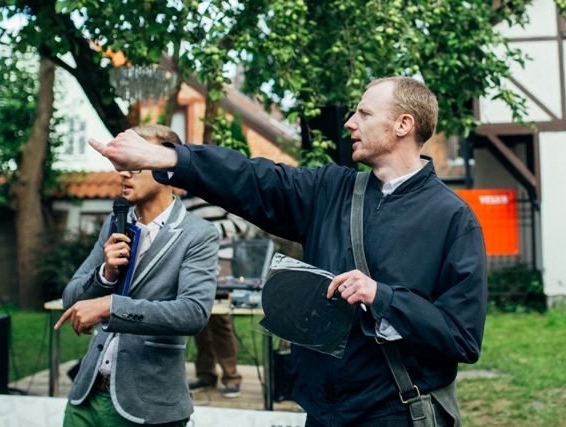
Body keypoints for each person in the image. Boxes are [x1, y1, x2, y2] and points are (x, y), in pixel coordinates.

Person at [88, 77, 487, 426]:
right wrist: (166, 157)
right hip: (321, 410)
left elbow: (462, 337)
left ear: (403, 124)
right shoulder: (331, 190)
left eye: (364, 114)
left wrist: (382, 297)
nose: (350, 122)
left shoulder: (452, 218)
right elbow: (253, 179)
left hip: (394, 411)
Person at [54, 124, 220, 427]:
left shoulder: (198, 234)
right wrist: (105, 274)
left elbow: (193, 313)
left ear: (166, 169)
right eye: (122, 165)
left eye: (135, 164)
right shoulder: (115, 222)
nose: (123, 173)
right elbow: (71, 298)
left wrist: (111, 306)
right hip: (85, 399)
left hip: (147, 405)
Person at [179, 195, 245, 398]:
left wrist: (205, 231)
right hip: (193, 263)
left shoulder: (217, 191)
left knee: (220, 319)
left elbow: (240, 224)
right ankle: (206, 375)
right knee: (198, 318)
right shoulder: (183, 199)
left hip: (220, 260)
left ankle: (231, 377)